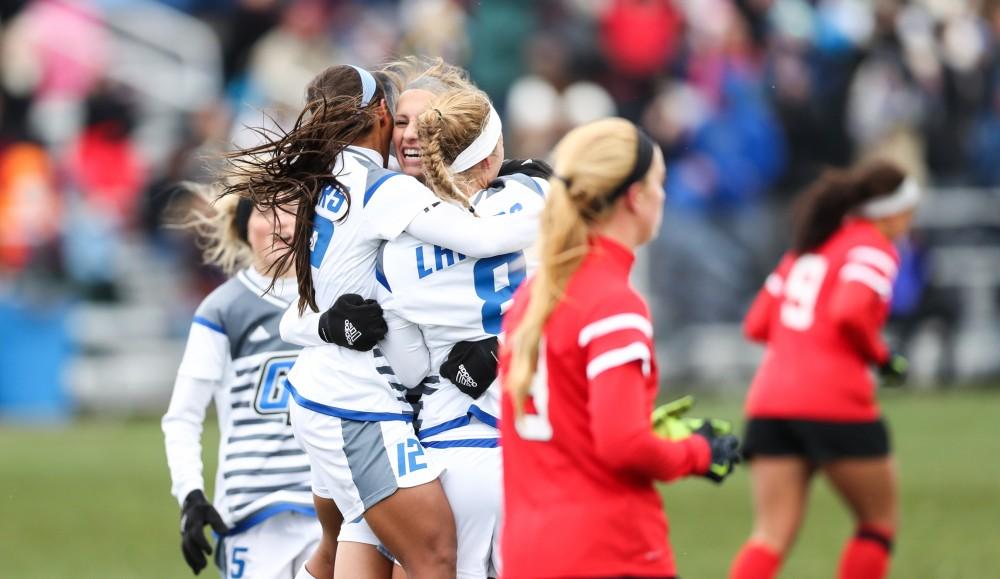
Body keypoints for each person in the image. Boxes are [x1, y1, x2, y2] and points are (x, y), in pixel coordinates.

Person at [226, 64, 540, 579]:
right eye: (401, 120)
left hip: (359, 404)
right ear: (379, 117)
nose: (411, 133)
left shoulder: (338, 185)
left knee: (348, 550)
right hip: (366, 405)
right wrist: (570, 206)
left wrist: (501, 344)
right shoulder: (390, 196)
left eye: (427, 124)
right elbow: (480, 245)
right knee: (431, 556)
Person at [499, 118, 741, 579]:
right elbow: (622, 443)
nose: (664, 196)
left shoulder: (533, 297)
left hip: (529, 553)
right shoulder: (613, 302)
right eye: (659, 183)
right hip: (608, 551)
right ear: (635, 197)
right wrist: (696, 452)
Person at [729, 160, 917, 579]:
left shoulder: (807, 248)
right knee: (878, 523)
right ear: (889, 213)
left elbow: (756, 324)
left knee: (769, 536)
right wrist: (882, 358)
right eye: (909, 212)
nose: (910, 222)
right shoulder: (872, 245)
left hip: (769, 403)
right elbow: (849, 311)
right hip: (834, 401)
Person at [162, 183, 321, 578]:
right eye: (264, 210)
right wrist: (191, 495)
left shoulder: (336, 295)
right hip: (251, 515)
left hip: (332, 510)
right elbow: (183, 415)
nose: (279, 223)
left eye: (290, 207)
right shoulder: (223, 308)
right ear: (242, 223)